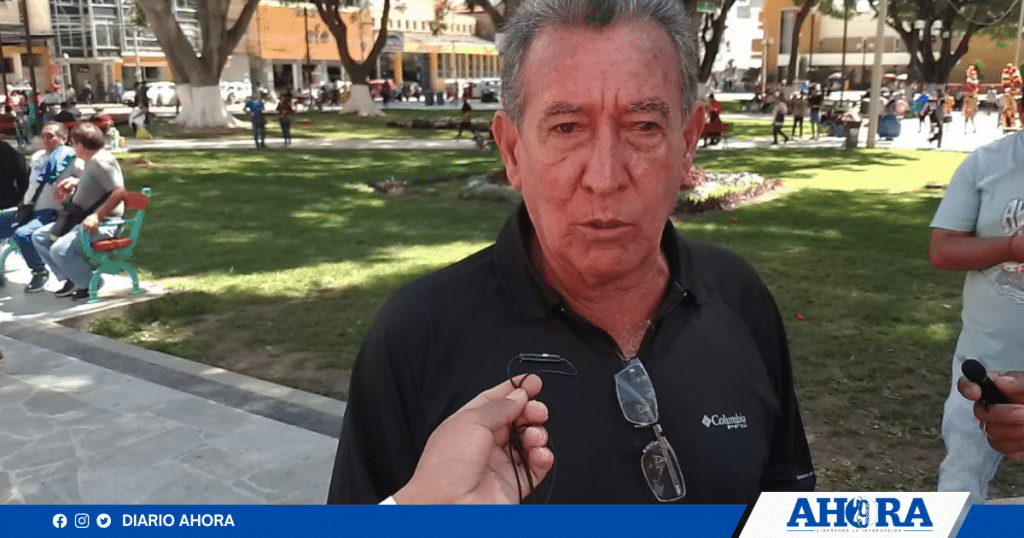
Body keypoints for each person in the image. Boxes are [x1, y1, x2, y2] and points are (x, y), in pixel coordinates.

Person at [327, 0, 815, 505]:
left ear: (688, 141)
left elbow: (787, 499)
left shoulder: (737, 296)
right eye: (567, 128)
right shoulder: (417, 336)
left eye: (644, 126)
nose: (605, 178)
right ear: (512, 150)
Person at [930, 128, 1024, 505]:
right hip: (983, 365)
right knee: (962, 475)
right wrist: (1013, 247)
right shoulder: (987, 162)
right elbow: (943, 250)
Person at [31, 123, 125, 301]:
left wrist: (97, 216)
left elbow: (119, 191)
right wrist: (75, 181)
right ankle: (72, 278)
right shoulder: (92, 160)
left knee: (59, 249)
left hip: (104, 224)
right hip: (80, 219)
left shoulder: (101, 162)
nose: (73, 147)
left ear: (80, 145)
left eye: (73, 143)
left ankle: (89, 283)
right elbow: (96, 183)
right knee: (40, 237)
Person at [0, 124, 79, 291]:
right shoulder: (37, 157)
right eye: (44, 136)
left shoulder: (72, 158)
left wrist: (75, 181)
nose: (46, 140)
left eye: (51, 136)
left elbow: (87, 180)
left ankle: (39, 272)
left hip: (52, 213)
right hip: (29, 210)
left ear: (64, 138)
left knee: (23, 234)